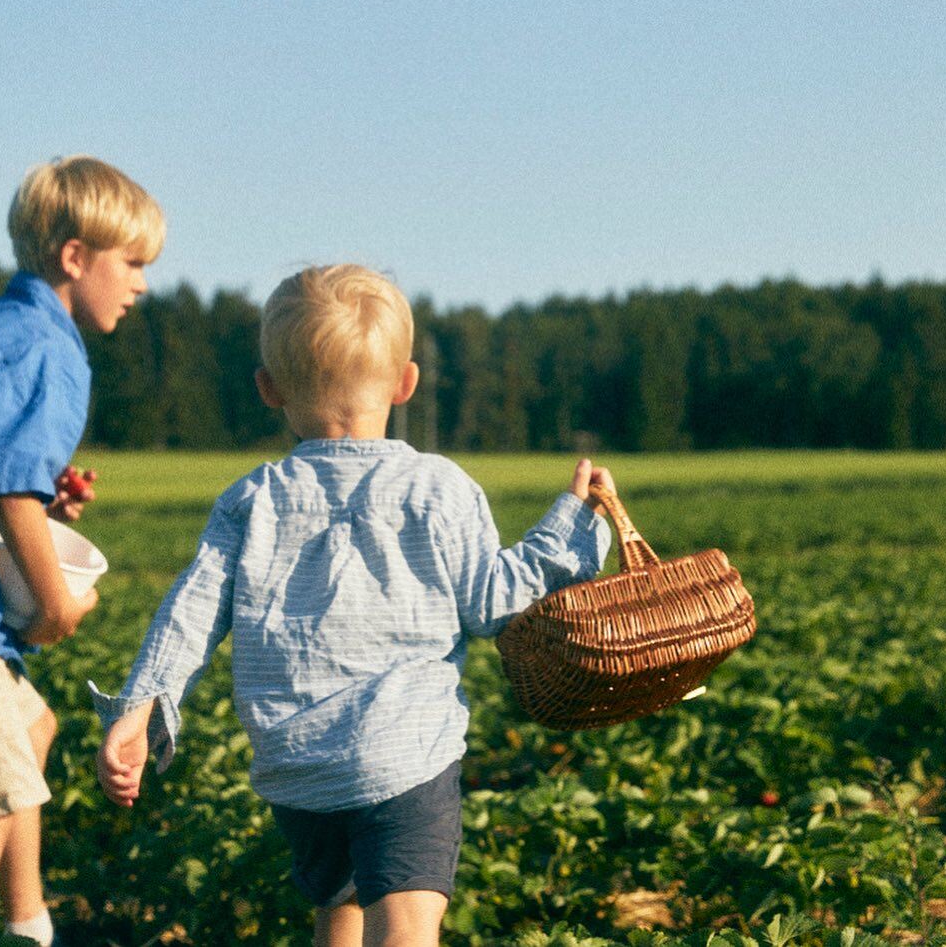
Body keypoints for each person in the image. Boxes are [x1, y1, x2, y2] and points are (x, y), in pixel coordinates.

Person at [94, 263, 612, 947]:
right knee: (403, 925)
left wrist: (142, 702)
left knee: (337, 913)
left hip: (296, 766)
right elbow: (495, 601)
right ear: (406, 383)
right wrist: (570, 523)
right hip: (404, 753)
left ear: (267, 389)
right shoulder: (436, 487)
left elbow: (190, 607)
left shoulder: (250, 499)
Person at [0, 155, 165, 944]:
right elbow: (8, 490)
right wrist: (55, 603)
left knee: (31, 730)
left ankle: (27, 921)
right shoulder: (42, 345)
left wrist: (36, 495)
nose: (142, 284)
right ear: (75, 255)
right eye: (132, 262)